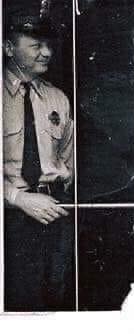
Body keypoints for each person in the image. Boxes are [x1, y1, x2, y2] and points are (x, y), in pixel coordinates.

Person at [3, 6, 74, 311]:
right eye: (35, 45)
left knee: (55, 302)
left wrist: (57, 189)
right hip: (10, 220)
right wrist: (18, 198)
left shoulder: (57, 98)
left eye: (48, 45)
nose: (46, 53)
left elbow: (68, 161)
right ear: (8, 48)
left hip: (53, 215)